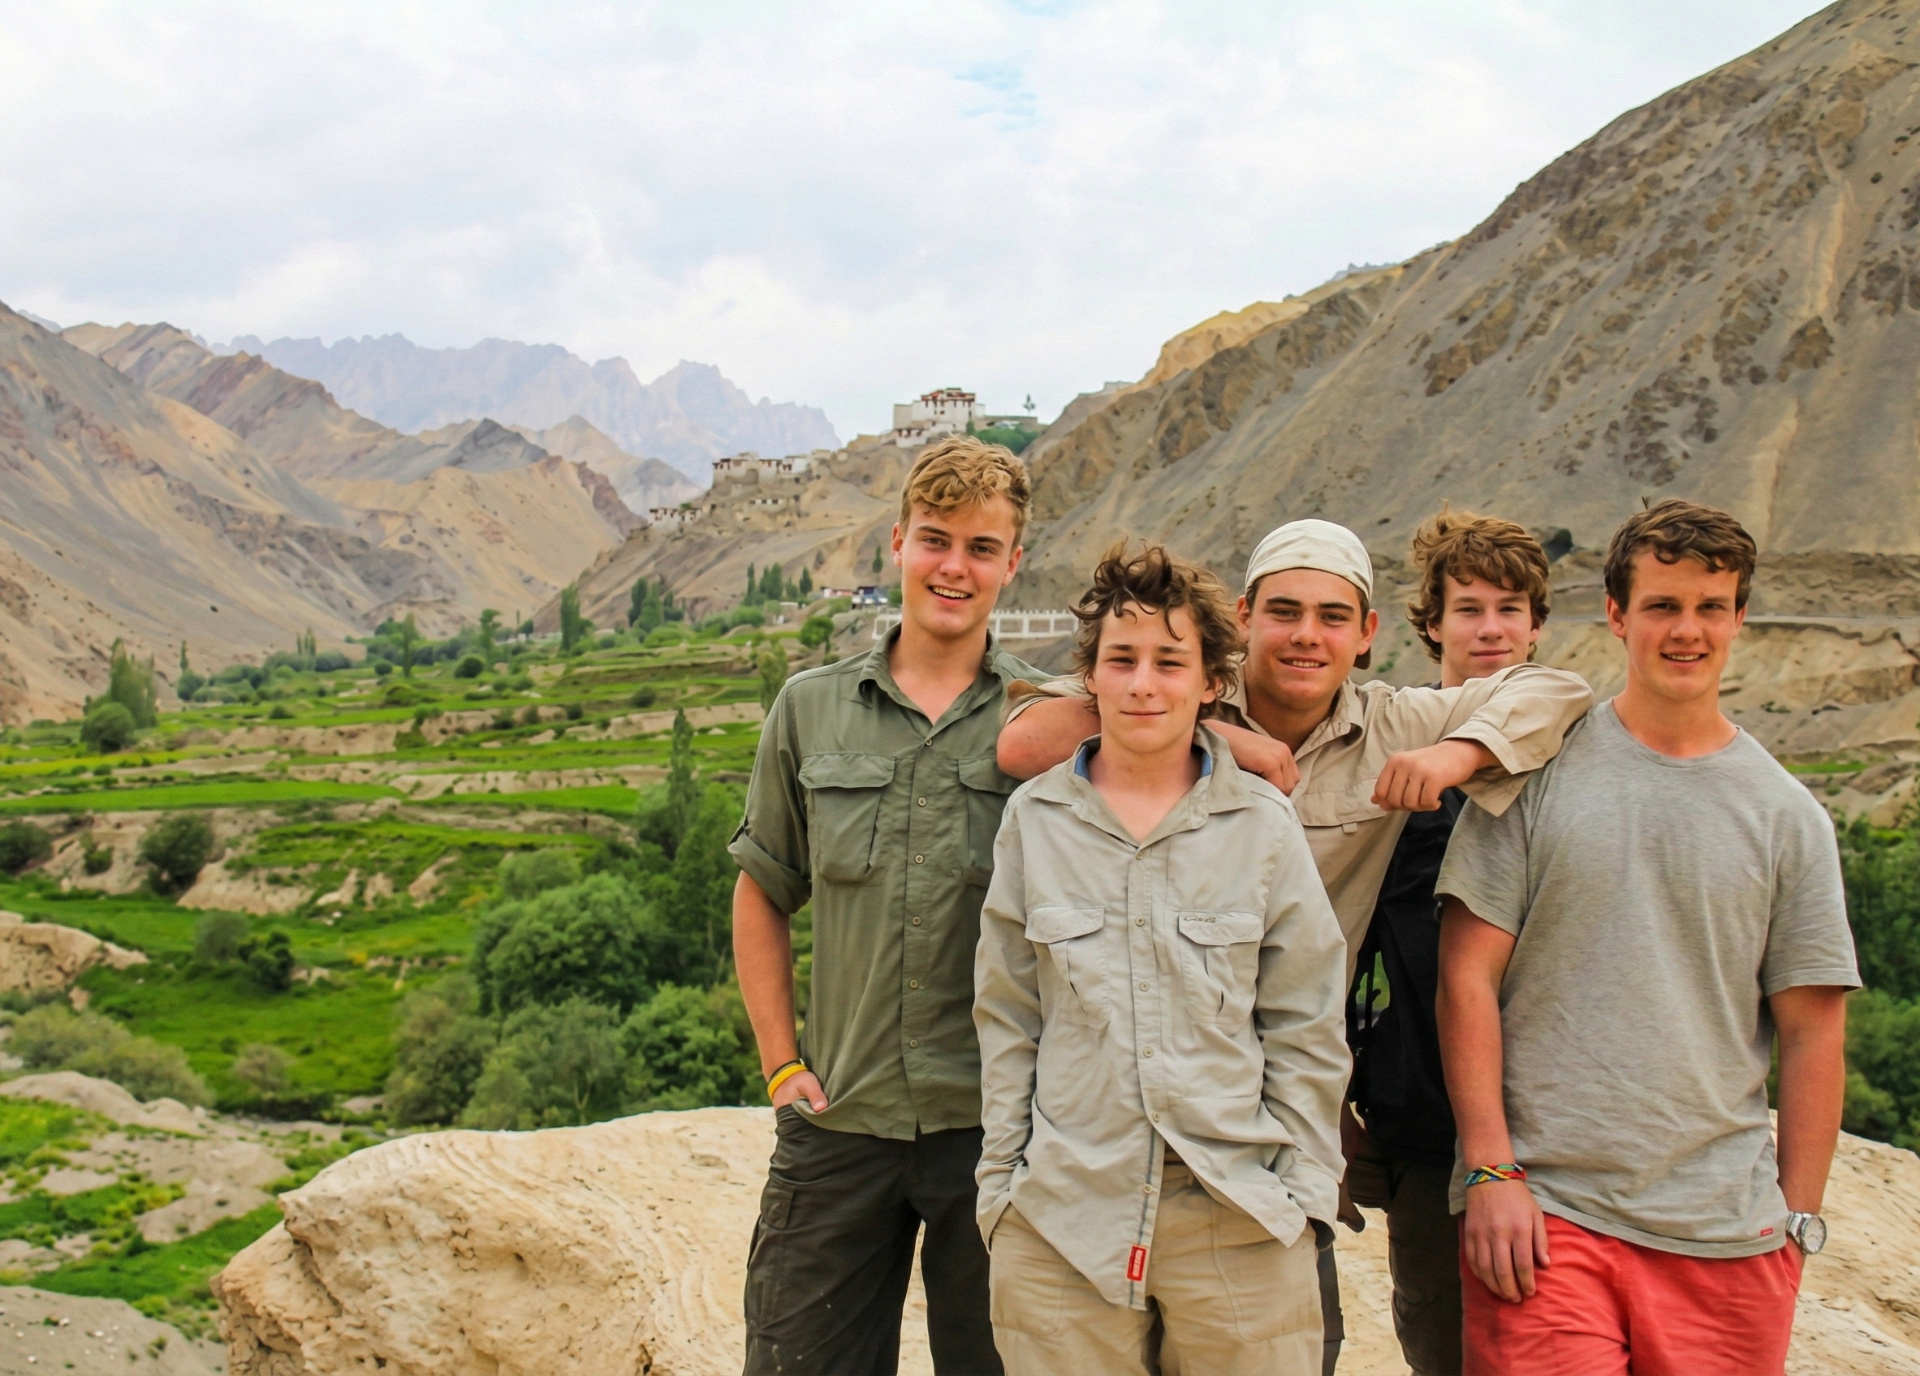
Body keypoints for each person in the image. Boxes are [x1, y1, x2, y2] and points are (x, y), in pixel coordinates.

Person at [997, 516, 1592, 1374]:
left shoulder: (1396, 722)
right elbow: (1027, 737)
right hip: (1115, 1094)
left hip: (1271, 1103)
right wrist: (1217, 736)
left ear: (1367, 633)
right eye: (1283, 611)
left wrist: (1458, 755)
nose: (1306, 636)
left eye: (1331, 615)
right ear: (1241, 618)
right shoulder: (1177, 682)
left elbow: (1555, 692)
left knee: (1295, 1343)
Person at [1436, 499, 1859, 1376]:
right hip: (1546, 1220)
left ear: (1740, 618)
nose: (1687, 631)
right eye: (1663, 606)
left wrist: (1796, 1223)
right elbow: (1465, 977)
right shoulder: (1535, 774)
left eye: (1711, 607)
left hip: (1728, 1240)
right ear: (1618, 615)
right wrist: (1489, 1172)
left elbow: (1815, 1030)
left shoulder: (1788, 818)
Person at [974, 543, 1348, 1376]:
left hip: (1242, 1220)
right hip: (1063, 1222)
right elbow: (1007, 1017)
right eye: (1123, 659)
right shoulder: (1035, 822)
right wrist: (1001, 1192)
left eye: (1170, 662)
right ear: (1091, 677)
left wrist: (1305, 1194)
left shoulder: (1261, 825)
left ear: (1210, 683)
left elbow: (1306, 1021)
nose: (1145, 682)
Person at [730, 435, 1042, 1375]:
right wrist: (781, 1064)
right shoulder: (810, 708)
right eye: (937, 540)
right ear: (898, 543)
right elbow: (762, 888)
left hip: (995, 1136)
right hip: (838, 1125)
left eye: (982, 549)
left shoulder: (1047, 723)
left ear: (1012, 563)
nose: (956, 567)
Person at [1344, 511, 1554, 1376]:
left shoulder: (1566, 757)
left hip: (1555, 1127)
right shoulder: (1385, 758)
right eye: (1469, 608)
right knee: (1441, 1342)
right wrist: (1342, 1104)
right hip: (1425, 1125)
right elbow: (1340, 941)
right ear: (1431, 622)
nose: (1492, 628)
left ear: (1539, 623)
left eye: (1511, 608)